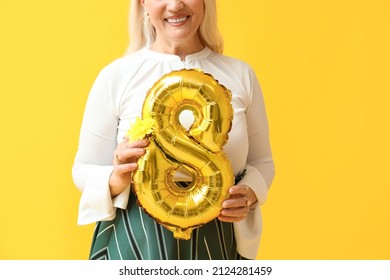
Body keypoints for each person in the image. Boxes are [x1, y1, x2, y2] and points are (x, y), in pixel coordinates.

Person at [72, 0, 275, 260]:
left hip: (218, 234)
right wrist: (116, 179)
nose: (175, 5)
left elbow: (263, 163)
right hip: (138, 233)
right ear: (143, 3)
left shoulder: (240, 74)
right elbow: (83, 169)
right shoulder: (116, 76)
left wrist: (249, 193)